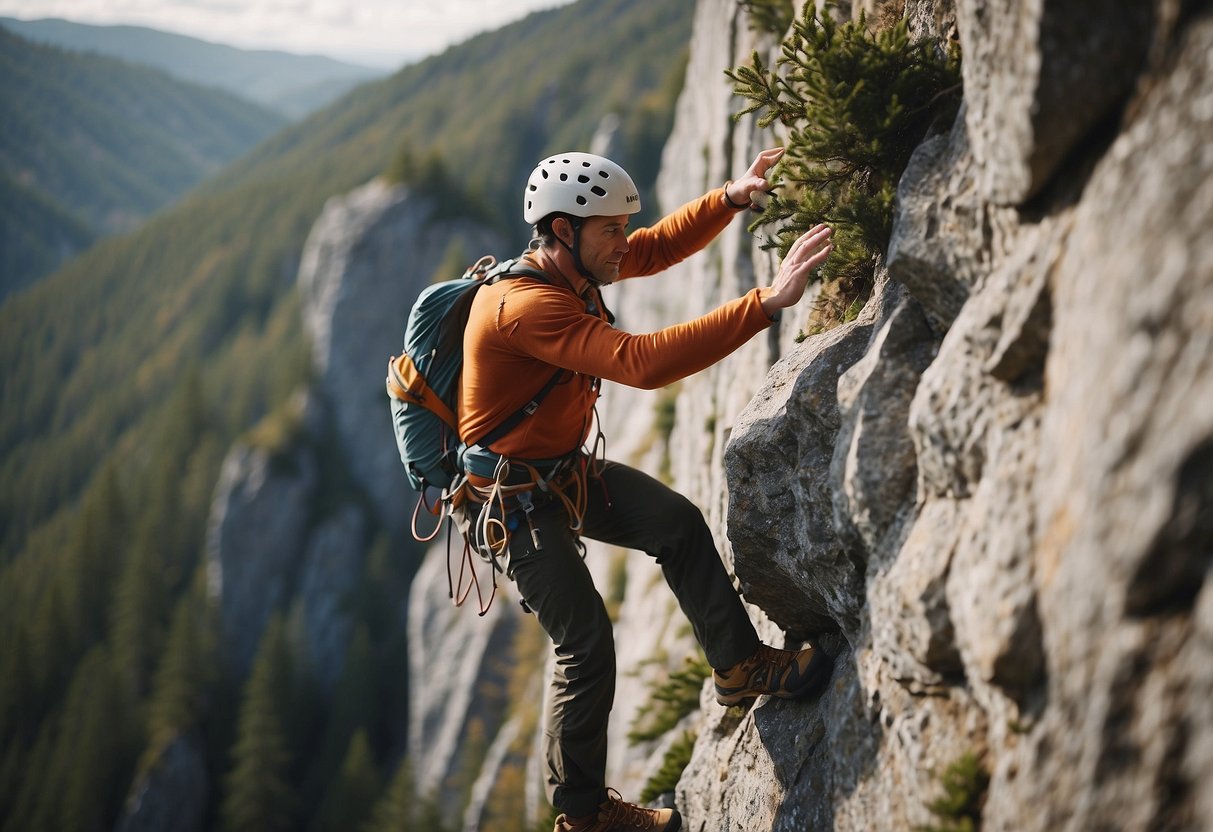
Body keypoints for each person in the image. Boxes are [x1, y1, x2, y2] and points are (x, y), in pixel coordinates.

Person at [457, 148, 835, 832]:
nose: (623, 243)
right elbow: (640, 363)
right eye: (610, 230)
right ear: (564, 230)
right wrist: (764, 303)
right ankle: (582, 817)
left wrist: (729, 198)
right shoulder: (524, 306)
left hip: (558, 474)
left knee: (675, 522)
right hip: (509, 503)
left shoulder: (574, 267)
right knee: (584, 639)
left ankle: (739, 666)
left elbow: (654, 249)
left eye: (620, 228)